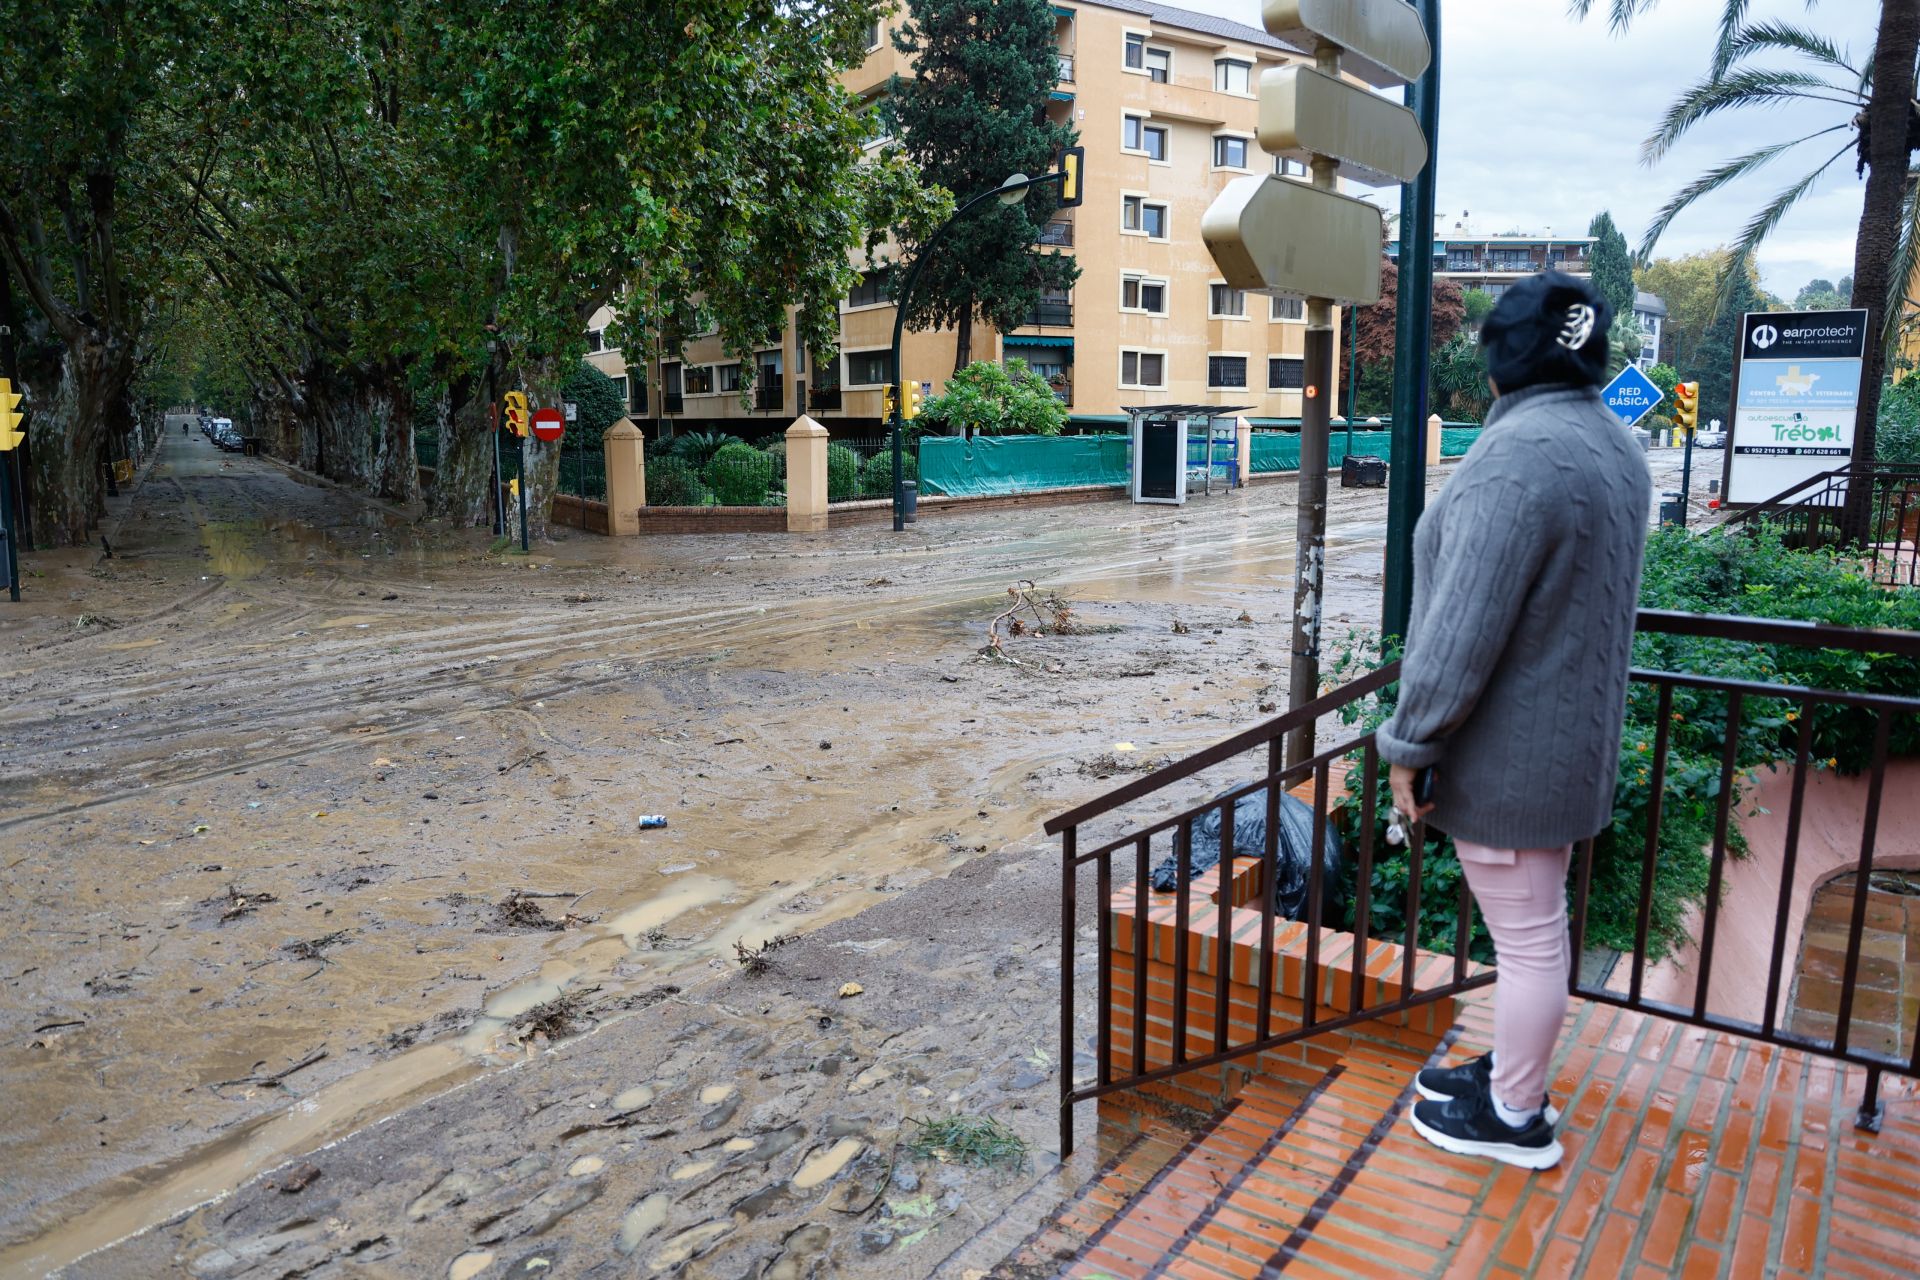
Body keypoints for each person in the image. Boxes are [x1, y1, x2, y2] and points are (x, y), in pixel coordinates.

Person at [1375, 271, 1651, 1171]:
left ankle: (1516, 1115)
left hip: (1512, 758)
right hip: (1571, 748)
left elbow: (1460, 631)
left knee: (1531, 943)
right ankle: (1510, 1073)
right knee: (1537, 929)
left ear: (1501, 359)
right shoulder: (1614, 445)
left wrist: (1409, 744)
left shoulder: (1515, 456)